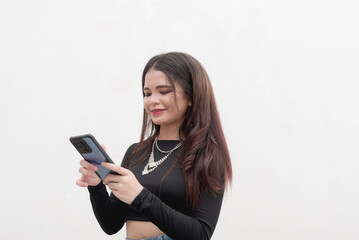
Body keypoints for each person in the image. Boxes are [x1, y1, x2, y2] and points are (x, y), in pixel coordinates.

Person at [76, 52, 232, 240]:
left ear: (191, 96)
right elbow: (111, 224)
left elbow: (200, 234)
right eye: (147, 93)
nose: (152, 100)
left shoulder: (207, 155)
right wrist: (96, 187)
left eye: (164, 91)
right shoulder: (136, 152)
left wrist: (140, 196)